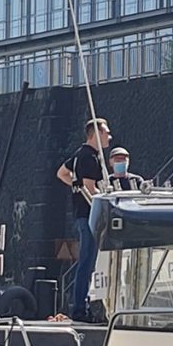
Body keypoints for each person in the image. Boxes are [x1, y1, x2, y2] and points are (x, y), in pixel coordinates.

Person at [56, 117, 112, 322]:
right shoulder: (91, 157)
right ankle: (80, 308)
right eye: (106, 132)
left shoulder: (78, 155)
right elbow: (91, 189)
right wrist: (108, 198)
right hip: (89, 215)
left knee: (86, 262)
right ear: (95, 134)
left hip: (80, 213)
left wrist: (75, 184)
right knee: (87, 263)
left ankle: (81, 305)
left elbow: (61, 173)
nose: (109, 136)